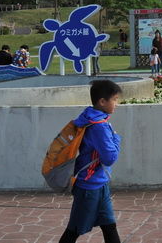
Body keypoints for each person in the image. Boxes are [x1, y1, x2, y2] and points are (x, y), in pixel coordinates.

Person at [57, 79, 123, 243]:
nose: (117, 103)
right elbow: (110, 158)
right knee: (73, 230)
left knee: (109, 226)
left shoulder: (92, 118)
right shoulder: (98, 126)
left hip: (99, 183)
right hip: (89, 187)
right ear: (102, 101)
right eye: (114, 99)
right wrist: (116, 138)